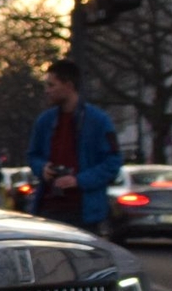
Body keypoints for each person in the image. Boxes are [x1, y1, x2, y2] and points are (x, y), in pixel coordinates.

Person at [22, 59, 123, 233]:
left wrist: (78, 180)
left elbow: (113, 163)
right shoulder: (44, 121)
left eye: (51, 85)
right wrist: (42, 168)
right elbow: (33, 155)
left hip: (84, 212)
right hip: (49, 208)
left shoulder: (98, 121)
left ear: (68, 85)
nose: (47, 91)